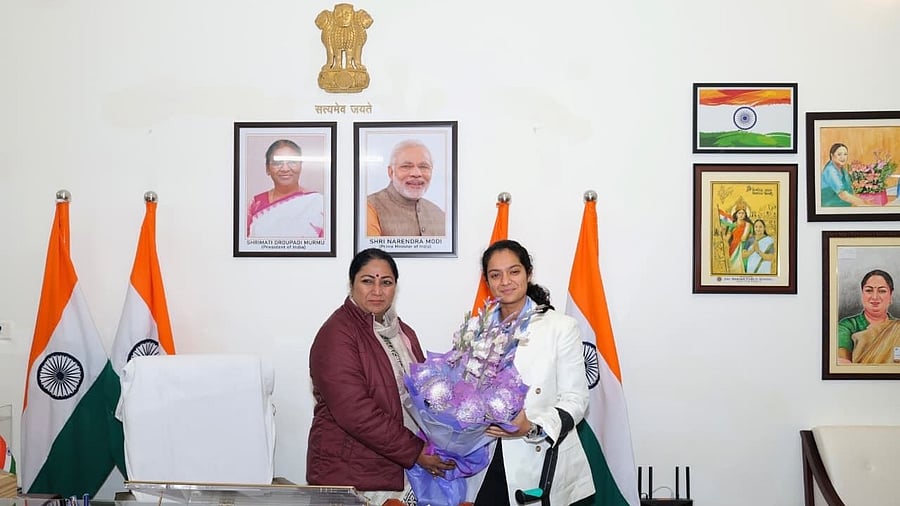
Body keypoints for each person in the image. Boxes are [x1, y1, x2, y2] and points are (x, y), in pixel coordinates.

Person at [307, 248, 455, 506]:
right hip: (353, 478)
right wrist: (416, 451)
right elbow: (356, 412)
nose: (377, 290)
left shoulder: (402, 332)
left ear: (395, 287)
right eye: (367, 280)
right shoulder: (338, 334)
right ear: (352, 284)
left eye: (386, 282)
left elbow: (422, 395)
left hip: (396, 471)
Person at [467, 240, 594, 506]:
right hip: (487, 456)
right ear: (486, 281)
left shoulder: (560, 327)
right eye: (495, 274)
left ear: (528, 273)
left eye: (514, 271)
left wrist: (532, 428)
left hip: (540, 454)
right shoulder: (475, 328)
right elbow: (464, 391)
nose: (505, 281)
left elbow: (576, 400)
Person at [367, 139, 446, 236]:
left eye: (423, 167)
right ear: (391, 172)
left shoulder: (440, 215)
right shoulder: (369, 207)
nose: (416, 174)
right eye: (406, 166)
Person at [247, 139, 324, 238]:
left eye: (292, 162)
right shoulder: (255, 204)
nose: (285, 169)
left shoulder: (318, 203)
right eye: (277, 163)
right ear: (267, 168)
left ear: (301, 166)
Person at [837, 269, 895, 364]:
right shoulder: (847, 326)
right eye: (869, 290)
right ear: (862, 294)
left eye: (882, 291)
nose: (875, 297)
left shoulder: (897, 327)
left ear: (890, 295)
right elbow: (842, 363)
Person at [821, 142, 868, 207]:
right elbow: (843, 195)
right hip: (831, 206)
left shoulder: (842, 169)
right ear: (832, 155)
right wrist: (862, 203)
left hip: (844, 204)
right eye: (839, 154)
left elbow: (849, 189)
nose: (843, 157)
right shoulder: (830, 170)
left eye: (845, 154)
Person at [719, 205, 752, 273]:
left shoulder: (748, 225)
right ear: (736, 214)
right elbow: (727, 238)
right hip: (733, 247)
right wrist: (722, 233)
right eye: (739, 213)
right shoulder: (732, 225)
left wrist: (747, 227)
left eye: (743, 213)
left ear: (745, 214)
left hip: (744, 247)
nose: (741, 215)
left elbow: (744, 238)